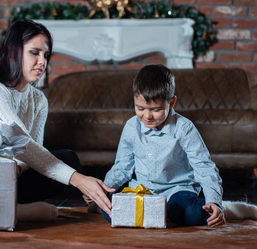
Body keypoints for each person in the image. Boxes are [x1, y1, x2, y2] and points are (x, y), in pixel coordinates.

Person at [0, 19, 115, 214]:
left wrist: (16, 168)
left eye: (46, 55)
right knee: (66, 171)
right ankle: (6, 211)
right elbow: (19, 140)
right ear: (14, 51)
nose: (42, 62)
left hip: (9, 177)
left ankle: (6, 209)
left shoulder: (38, 99)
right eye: (34, 53)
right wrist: (78, 180)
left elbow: (32, 150)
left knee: (69, 159)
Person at [90, 64, 225, 227]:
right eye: (140, 108)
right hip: (142, 193)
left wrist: (214, 201)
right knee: (110, 210)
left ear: (172, 102)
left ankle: (196, 208)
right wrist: (102, 191)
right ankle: (156, 214)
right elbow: (122, 167)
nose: (147, 116)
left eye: (156, 110)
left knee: (194, 213)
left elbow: (204, 167)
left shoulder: (184, 128)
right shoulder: (131, 127)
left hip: (175, 193)